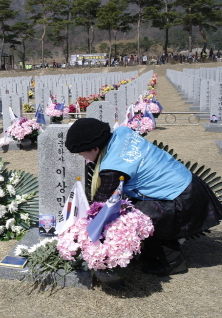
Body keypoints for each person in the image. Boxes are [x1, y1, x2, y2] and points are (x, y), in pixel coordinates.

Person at [64, 118, 222, 276]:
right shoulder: (122, 132)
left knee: (139, 217)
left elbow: (101, 204)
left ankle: (172, 262)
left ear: (95, 148)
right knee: (135, 208)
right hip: (188, 183)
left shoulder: (112, 167)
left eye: (82, 153)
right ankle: (153, 253)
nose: (83, 158)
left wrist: (81, 229)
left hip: (178, 197)